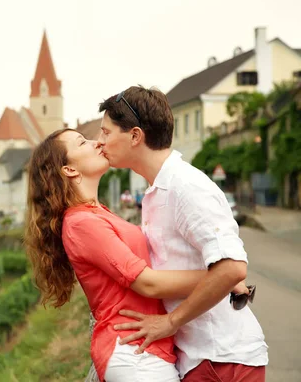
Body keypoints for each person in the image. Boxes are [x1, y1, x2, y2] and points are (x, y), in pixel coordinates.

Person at [24, 128, 247, 381]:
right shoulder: (81, 223)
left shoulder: (97, 213)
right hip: (134, 355)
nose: (97, 142)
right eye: (82, 142)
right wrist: (221, 277)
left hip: (146, 351)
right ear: (69, 170)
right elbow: (147, 282)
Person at [98, 86, 268, 381]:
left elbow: (232, 268)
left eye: (106, 132)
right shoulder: (157, 190)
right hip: (199, 358)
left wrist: (170, 322)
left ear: (135, 136)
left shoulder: (185, 186)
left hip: (223, 359)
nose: (99, 142)